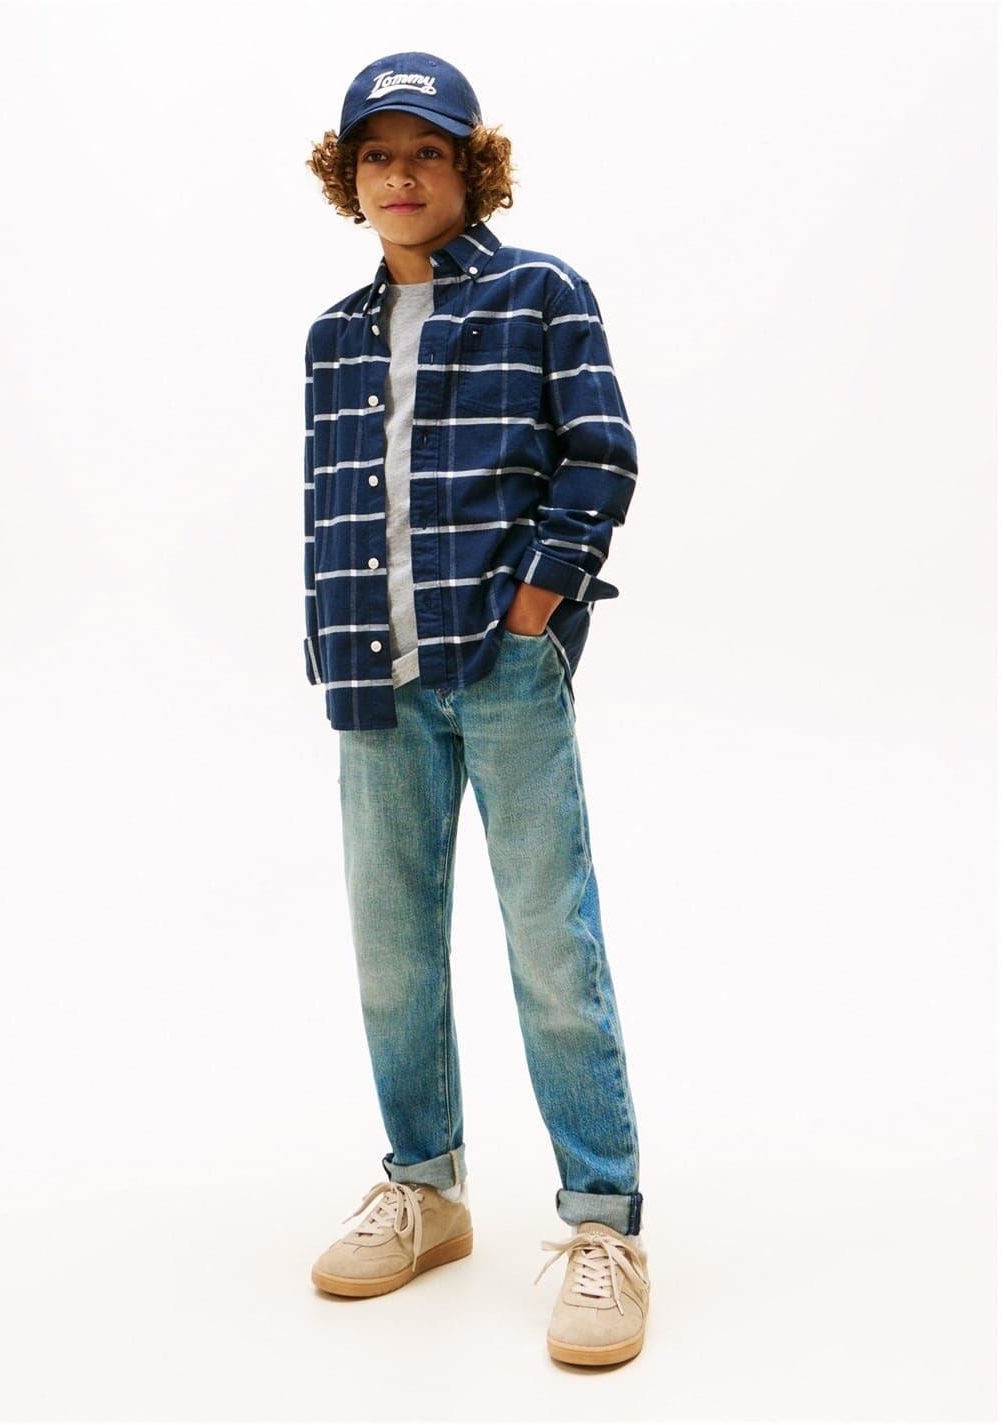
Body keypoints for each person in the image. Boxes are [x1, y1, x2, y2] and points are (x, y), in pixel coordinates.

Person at [299, 51, 650, 1366]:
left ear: (469, 167)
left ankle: (603, 1223)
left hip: (501, 667)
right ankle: (427, 1190)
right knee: (391, 949)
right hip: (370, 672)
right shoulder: (333, 335)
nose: (400, 174)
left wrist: (533, 605)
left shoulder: (541, 293)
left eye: (427, 151)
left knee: (550, 941)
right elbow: (334, 503)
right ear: (349, 176)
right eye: (377, 153)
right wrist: (332, 639)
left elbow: (600, 455)